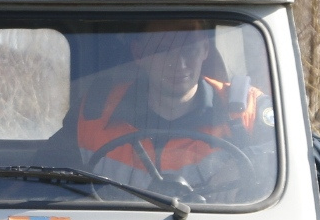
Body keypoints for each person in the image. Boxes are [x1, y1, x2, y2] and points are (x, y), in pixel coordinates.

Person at [68, 21, 274, 201]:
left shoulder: (246, 108)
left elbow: (296, 149)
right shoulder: (94, 113)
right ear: (139, 54)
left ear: (205, 49)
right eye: (163, 50)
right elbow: (47, 175)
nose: (179, 64)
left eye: (190, 49)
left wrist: (245, 163)